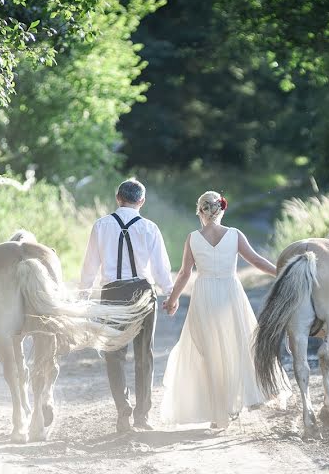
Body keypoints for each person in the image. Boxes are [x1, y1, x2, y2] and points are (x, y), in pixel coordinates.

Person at [161, 191, 290, 428]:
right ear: (222, 209)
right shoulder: (234, 235)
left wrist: (172, 300)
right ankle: (234, 403)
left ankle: (219, 414)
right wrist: (281, 272)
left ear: (200, 211)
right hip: (230, 293)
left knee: (208, 352)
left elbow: (184, 273)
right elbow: (257, 261)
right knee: (236, 346)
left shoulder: (192, 238)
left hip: (205, 296)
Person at [81, 178, 174, 433]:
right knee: (144, 354)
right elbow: (160, 267)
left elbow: (90, 265)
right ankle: (143, 416)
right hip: (142, 292)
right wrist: (170, 294)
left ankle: (123, 411)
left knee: (114, 353)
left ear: (117, 197)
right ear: (141, 201)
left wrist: (84, 294)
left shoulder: (100, 225)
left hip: (111, 293)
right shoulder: (149, 227)